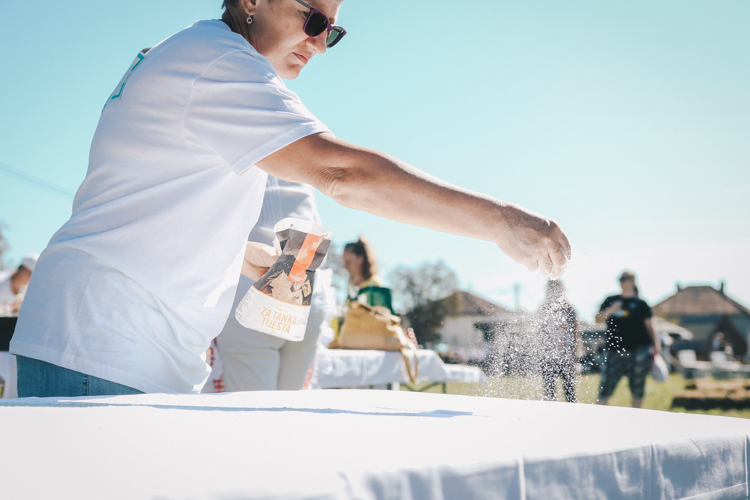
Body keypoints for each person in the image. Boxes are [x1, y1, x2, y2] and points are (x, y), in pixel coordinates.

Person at [11, 0, 571, 398]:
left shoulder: (193, 51)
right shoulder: (219, 62)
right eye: (314, 19)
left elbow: (157, 212)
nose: (321, 44)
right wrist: (500, 222)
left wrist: (251, 260)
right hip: (106, 349)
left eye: (334, 32)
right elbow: (343, 173)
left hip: (112, 343)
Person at [211, 175, 336, 391]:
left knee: (252, 413)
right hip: (308, 289)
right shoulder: (307, 145)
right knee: (289, 408)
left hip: (253, 286)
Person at [595, 271, 659, 408]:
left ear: (633, 281)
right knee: (605, 389)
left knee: (637, 389)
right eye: (621, 279)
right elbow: (597, 319)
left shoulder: (641, 304)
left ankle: (636, 419)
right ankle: (597, 419)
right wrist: (611, 310)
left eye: (627, 278)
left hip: (638, 351)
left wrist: (657, 348)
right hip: (613, 351)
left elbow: (651, 327)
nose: (624, 281)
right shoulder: (611, 300)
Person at [537, 280, 580, 403]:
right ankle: (549, 415)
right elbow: (539, 331)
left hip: (565, 354)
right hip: (547, 354)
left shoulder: (568, 308)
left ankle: (572, 414)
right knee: (549, 390)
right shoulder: (544, 308)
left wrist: (575, 352)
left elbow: (576, 331)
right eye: (551, 288)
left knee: (569, 390)